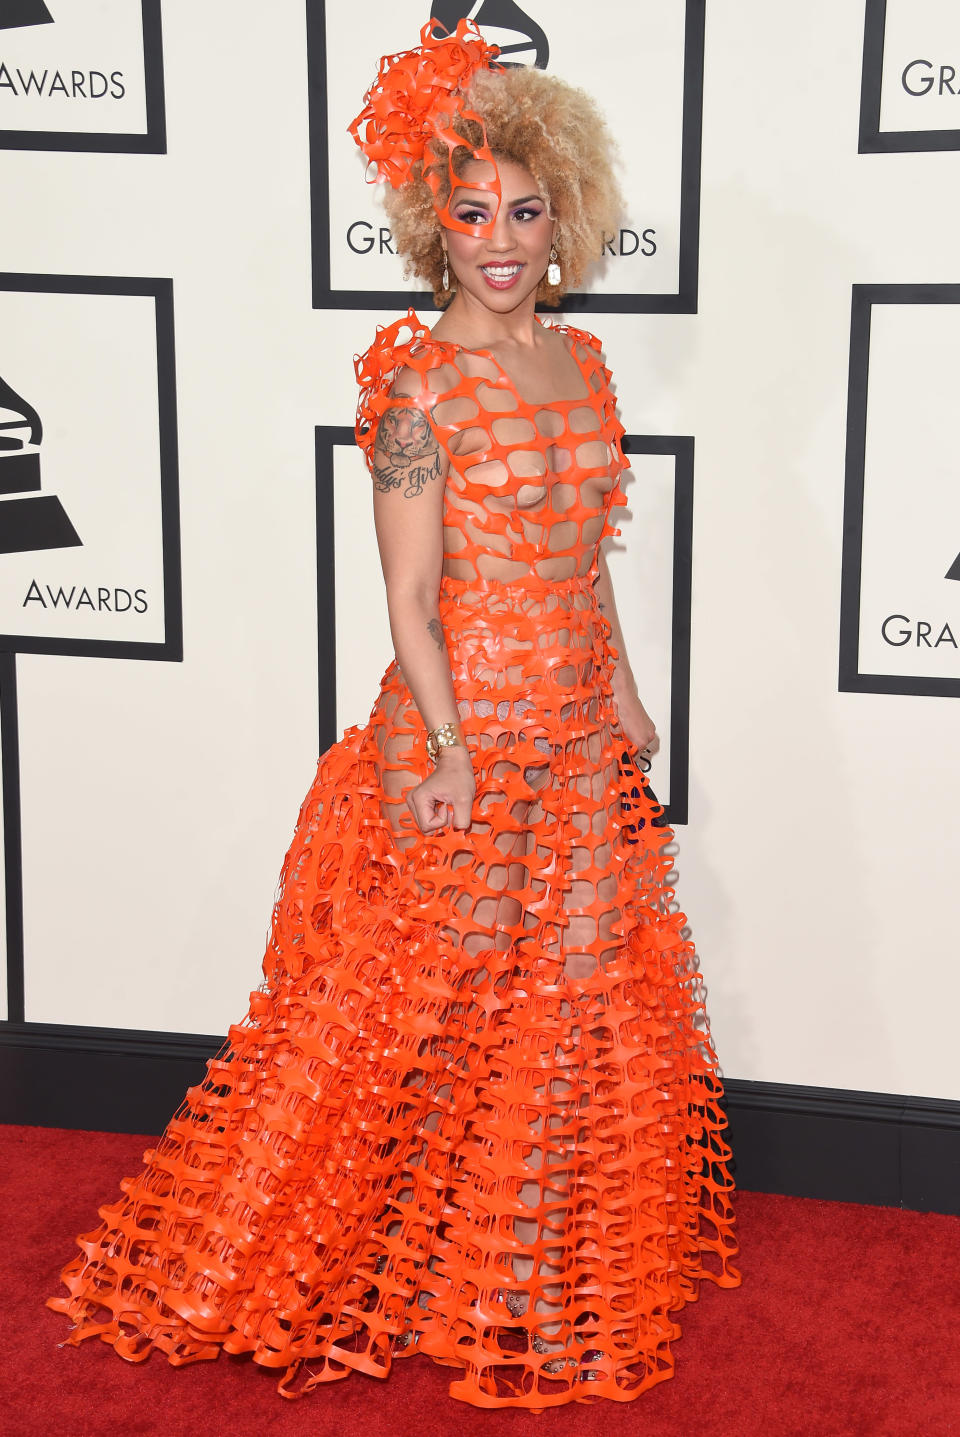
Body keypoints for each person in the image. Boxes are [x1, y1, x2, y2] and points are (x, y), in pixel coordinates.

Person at [47, 20, 741, 1412]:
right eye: (472, 209)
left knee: (581, 995)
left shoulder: (589, 368)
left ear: (566, 220)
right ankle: (328, 1259)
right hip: (470, 723)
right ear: (436, 220)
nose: (500, 236)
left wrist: (623, 693)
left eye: (525, 210)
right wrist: (442, 748)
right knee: (423, 1004)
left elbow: (585, 553)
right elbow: (412, 598)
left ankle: (531, 1278)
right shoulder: (416, 387)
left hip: (574, 734)